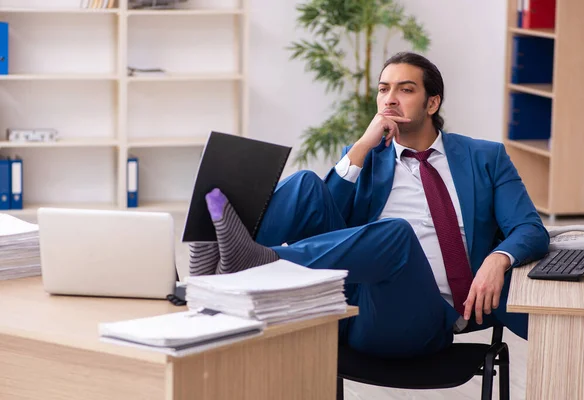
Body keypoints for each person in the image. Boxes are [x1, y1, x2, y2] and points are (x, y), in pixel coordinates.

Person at [189, 51, 549, 358]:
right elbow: (325, 219)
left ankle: (253, 260)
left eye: (406, 90)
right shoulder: (366, 158)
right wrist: (362, 145)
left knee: (395, 235)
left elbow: (530, 228)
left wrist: (496, 260)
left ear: (433, 102)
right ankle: (219, 269)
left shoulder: (484, 157)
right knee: (305, 184)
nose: (390, 99)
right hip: (357, 304)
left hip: (427, 316)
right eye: (383, 89)